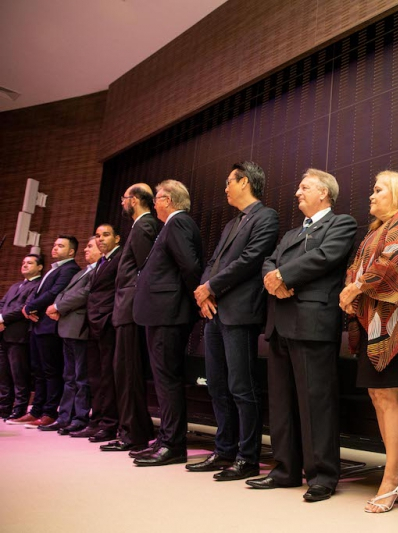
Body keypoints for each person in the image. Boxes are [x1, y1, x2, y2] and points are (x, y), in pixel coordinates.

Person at [249, 169, 357, 502]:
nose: (297, 192)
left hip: (312, 322)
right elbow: (268, 261)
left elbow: (325, 257)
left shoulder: (341, 224)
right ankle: (285, 470)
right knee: (281, 403)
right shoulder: (292, 232)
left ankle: (322, 475)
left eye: (304, 187)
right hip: (280, 322)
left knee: (316, 403)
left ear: (324, 192)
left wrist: (283, 275)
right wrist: (272, 278)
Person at [340, 170, 398, 513]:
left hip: (396, 321)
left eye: (379, 190)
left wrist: (355, 288)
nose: (371, 195)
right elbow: (357, 268)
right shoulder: (375, 229)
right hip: (373, 321)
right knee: (379, 396)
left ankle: (391, 479)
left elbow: (393, 263)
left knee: (390, 397)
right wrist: (351, 290)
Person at [187, 161, 278, 480]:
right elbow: (213, 261)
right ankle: (223, 450)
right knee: (216, 385)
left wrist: (211, 287)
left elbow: (250, 260)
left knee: (242, 386)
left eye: (229, 181)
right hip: (215, 311)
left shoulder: (266, 216)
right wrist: (204, 292)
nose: (225, 188)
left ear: (245, 182)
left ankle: (247, 457)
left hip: (240, 312)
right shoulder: (231, 223)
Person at [132, 179, 203, 466]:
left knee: (167, 378)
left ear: (169, 200)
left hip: (169, 313)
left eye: (157, 198)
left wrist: (199, 298)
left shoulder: (179, 223)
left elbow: (190, 266)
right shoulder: (172, 225)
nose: (154, 204)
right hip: (163, 312)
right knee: (163, 378)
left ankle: (173, 444)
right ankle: (166, 439)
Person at [102, 184, 160, 453]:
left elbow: (146, 270)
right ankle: (138, 429)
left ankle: (132, 434)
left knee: (127, 373)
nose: (122, 203)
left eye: (124, 198)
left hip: (132, 308)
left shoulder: (144, 225)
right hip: (128, 308)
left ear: (134, 200)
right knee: (125, 372)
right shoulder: (141, 226)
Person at [41, 237, 103, 434]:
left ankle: (80, 417)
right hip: (67, 326)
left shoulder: (99, 270)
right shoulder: (82, 271)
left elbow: (84, 294)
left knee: (81, 377)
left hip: (80, 327)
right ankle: (64, 417)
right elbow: (63, 293)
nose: (85, 250)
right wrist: (57, 305)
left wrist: (58, 307)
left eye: (90, 246)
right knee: (68, 376)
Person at [17, 236, 81, 427]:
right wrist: (29, 306)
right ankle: (36, 409)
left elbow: (54, 293)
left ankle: (49, 411)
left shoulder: (70, 269)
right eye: (54, 245)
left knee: (51, 370)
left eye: (60, 246)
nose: (55, 248)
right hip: (38, 324)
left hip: (50, 326)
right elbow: (38, 293)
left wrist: (30, 307)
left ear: (71, 251)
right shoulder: (54, 268)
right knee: (38, 370)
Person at [70, 224, 123, 443]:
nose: (100, 239)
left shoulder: (119, 258)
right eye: (98, 236)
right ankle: (96, 420)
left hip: (107, 323)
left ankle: (109, 424)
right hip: (92, 323)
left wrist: (108, 317)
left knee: (108, 377)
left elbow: (118, 291)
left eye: (106, 235)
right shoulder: (101, 262)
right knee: (94, 376)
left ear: (117, 238)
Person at [0, 255, 43, 421]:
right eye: (23, 262)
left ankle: (19, 408)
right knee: (4, 374)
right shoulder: (15, 285)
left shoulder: (37, 285)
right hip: (4, 334)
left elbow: (24, 309)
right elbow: (2, 303)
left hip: (19, 335)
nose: (24, 265)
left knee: (19, 375)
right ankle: (4, 407)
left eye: (29, 263)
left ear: (39, 267)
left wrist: (3, 319)